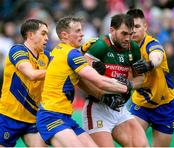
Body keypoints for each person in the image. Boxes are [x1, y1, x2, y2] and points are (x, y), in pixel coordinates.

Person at [36, 16, 130, 147]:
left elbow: (70, 66)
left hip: (64, 117)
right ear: (64, 35)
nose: (83, 34)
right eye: (78, 31)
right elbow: (99, 81)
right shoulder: (71, 55)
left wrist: (82, 51)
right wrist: (126, 87)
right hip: (51, 117)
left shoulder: (59, 50)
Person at [82, 14, 149, 147]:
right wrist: (102, 96)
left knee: (141, 145)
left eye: (130, 34)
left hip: (120, 109)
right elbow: (81, 79)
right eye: (124, 33)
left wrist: (129, 85)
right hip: (97, 109)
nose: (128, 38)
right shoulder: (100, 45)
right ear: (112, 30)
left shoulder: (133, 48)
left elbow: (141, 78)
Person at [127, 9, 174, 147]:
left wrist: (149, 64)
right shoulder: (125, 48)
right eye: (130, 27)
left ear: (145, 27)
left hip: (165, 105)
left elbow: (157, 56)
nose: (133, 31)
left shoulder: (152, 44)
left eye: (137, 26)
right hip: (141, 104)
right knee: (132, 142)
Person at [0, 19, 50, 147]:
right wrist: (56, 71)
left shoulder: (47, 57)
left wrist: (83, 53)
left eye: (47, 34)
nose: (47, 38)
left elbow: (66, 62)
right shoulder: (18, 50)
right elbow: (32, 74)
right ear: (30, 35)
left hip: (32, 119)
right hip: (9, 116)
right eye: (43, 34)